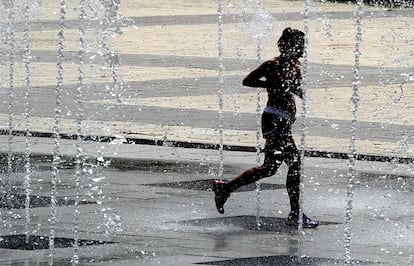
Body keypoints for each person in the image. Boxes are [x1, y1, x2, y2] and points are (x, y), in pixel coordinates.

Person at [213, 27, 319, 228]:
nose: (303, 49)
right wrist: (272, 85)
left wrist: (302, 93)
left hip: (283, 120)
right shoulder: (273, 64)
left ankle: (225, 188)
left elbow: (296, 89)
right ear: (290, 46)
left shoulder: (295, 66)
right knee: (294, 164)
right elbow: (248, 81)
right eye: (300, 45)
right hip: (274, 119)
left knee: (269, 168)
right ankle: (295, 214)